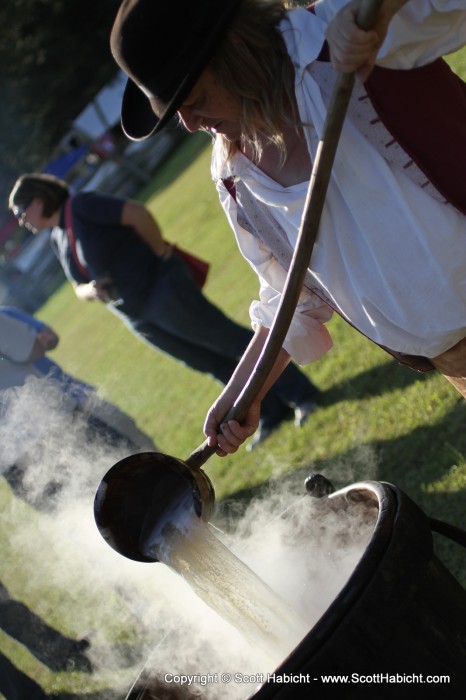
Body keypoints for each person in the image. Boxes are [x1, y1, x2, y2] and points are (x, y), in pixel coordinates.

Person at [107, 0, 466, 455]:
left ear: (236, 48)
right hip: (454, 356)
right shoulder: (236, 177)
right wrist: (244, 391)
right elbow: (291, 297)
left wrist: (380, 13)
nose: (190, 123)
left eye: (194, 100)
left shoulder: (340, 34)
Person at [8, 175, 323, 449]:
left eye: (22, 213)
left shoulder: (81, 205)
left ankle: (302, 395)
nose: (22, 222)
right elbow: (78, 287)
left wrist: (159, 252)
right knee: (206, 361)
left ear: (38, 200)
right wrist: (93, 289)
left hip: (161, 289)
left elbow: (136, 213)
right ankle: (269, 412)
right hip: (136, 315)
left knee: (230, 342)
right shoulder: (58, 237)